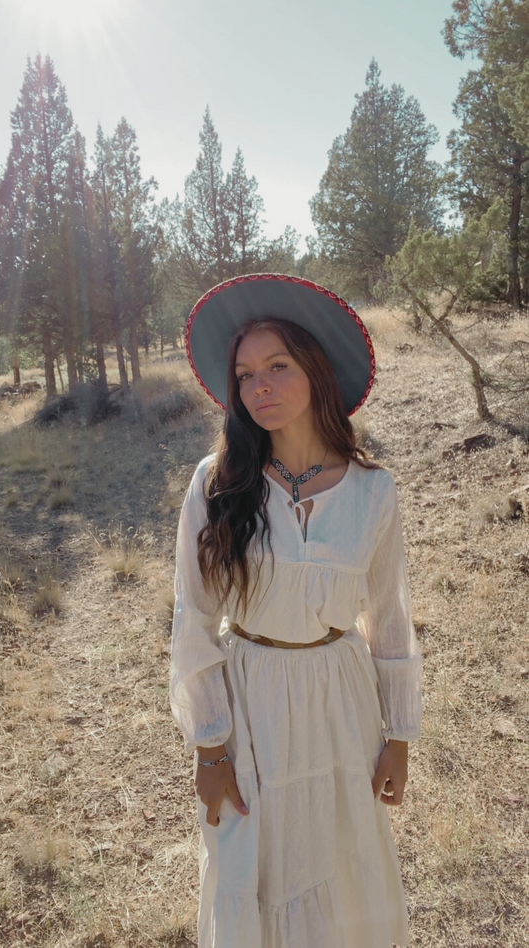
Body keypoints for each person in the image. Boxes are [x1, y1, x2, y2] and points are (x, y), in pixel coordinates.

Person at [169, 274, 422, 948]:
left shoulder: (372, 491)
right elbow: (193, 618)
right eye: (245, 374)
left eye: (277, 366)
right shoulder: (216, 483)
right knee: (253, 864)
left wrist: (398, 734)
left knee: (341, 858)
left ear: (315, 368)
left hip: (341, 701)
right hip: (251, 698)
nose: (259, 386)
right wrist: (209, 747)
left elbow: (389, 617)